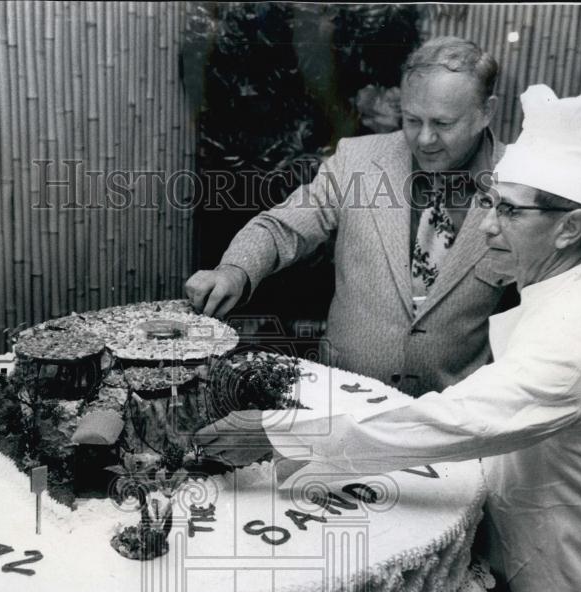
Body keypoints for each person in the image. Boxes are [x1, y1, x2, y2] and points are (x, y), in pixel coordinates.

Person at [198, 80, 581, 592]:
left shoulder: (575, 339)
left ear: (570, 226)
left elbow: (445, 425)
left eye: (509, 211)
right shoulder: (559, 299)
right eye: (489, 202)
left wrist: (272, 432)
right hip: (511, 589)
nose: (486, 224)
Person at [185, 37, 516, 396]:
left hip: (455, 413)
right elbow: (285, 226)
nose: (424, 139)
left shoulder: (522, 181)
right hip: (343, 397)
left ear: (486, 112)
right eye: (411, 119)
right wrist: (235, 270)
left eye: (443, 123)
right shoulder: (357, 160)